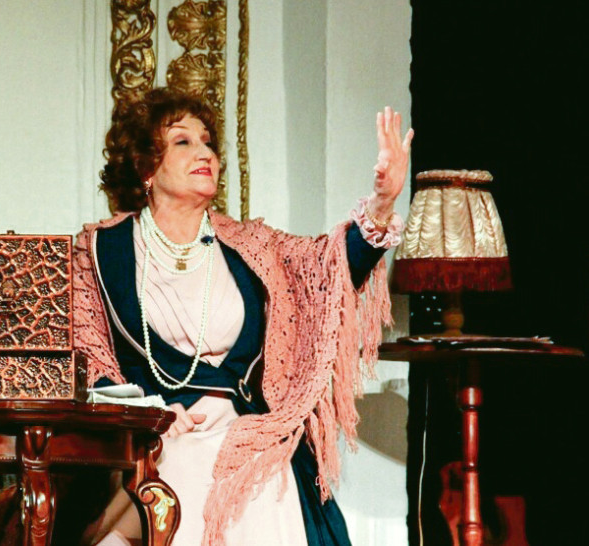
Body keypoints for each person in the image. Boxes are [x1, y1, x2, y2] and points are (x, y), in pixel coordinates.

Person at [73, 87, 413, 546]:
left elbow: (329, 267)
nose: (205, 153)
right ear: (145, 166)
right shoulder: (99, 250)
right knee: (181, 460)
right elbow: (88, 362)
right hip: (153, 437)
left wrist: (382, 202)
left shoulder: (252, 246)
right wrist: (147, 414)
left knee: (256, 468)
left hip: (249, 430)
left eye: (208, 142)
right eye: (183, 141)